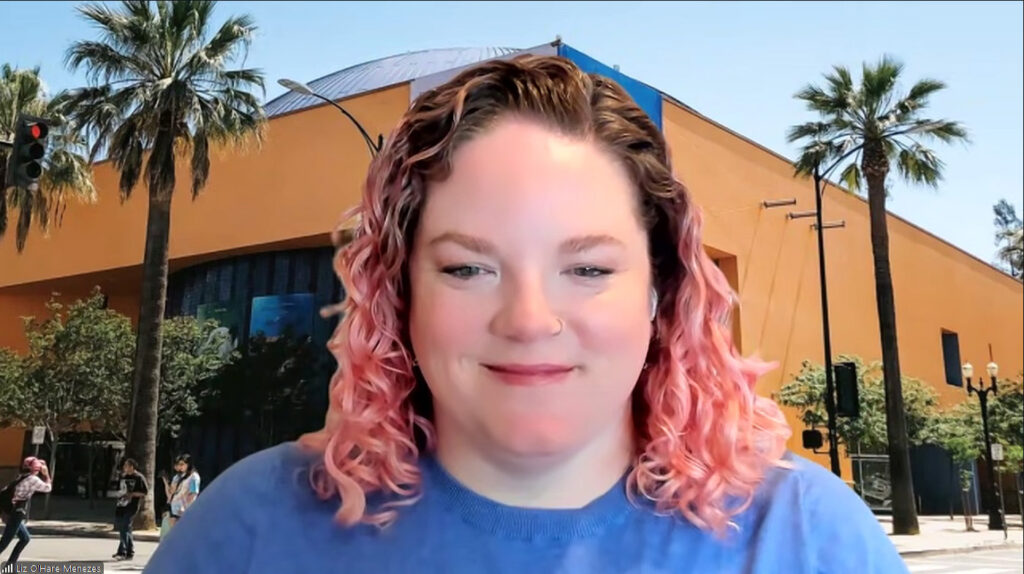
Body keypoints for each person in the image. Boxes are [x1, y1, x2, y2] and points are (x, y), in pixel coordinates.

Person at [145, 54, 909, 573]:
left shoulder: (806, 539)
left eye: (587, 268)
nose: (529, 318)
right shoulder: (248, 531)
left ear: (658, 291)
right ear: (401, 293)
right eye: (469, 267)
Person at [0, 457, 52, 567]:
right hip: (16, 512)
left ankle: (10, 565)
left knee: (25, 538)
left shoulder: (22, 476)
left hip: (12, 510)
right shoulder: (32, 479)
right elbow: (47, 488)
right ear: (36, 469)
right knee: (5, 541)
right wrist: (46, 474)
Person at [113, 458, 148, 561]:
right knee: (124, 528)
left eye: (126, 466)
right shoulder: (123, 477)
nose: (125, 468)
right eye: (124, 466)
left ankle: (123, 552)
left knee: (125, 526)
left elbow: (144, 492)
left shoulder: (139, 477)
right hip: (121, 504)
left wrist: (132, 494)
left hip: (132, 505)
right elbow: (119, 489)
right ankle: (128, 551)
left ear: (132, 467)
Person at [161, 454, 201, 530]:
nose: (180, 467)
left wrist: (186, 507)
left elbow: (193, 493)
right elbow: (171, 493)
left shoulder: (194, 477)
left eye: (182, 464)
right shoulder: (178, 477)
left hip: (185, 509)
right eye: (179, 464)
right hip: (174, 507)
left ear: (188, 464)